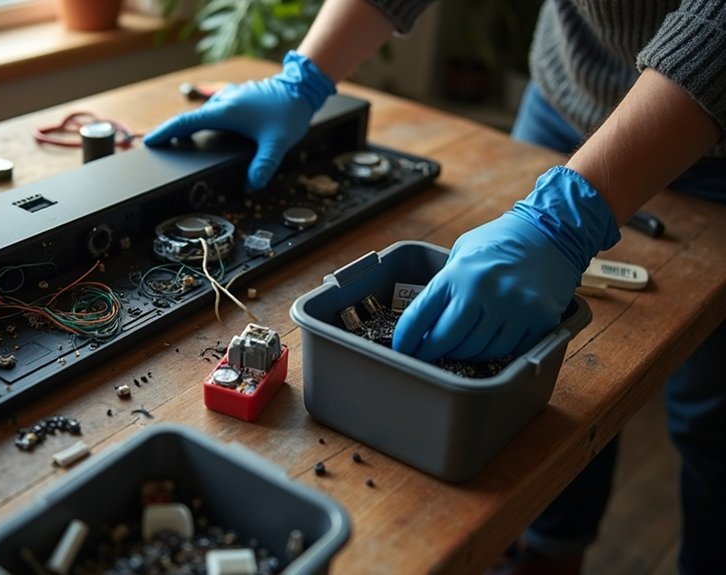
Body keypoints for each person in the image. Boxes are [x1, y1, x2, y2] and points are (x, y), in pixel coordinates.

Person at [144, 1, 726, 573]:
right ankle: (548, 543)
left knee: (710, 417)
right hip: (568, 98)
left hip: (713, 131)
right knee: (558, 377)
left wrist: (562, 223)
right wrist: (306, 76)